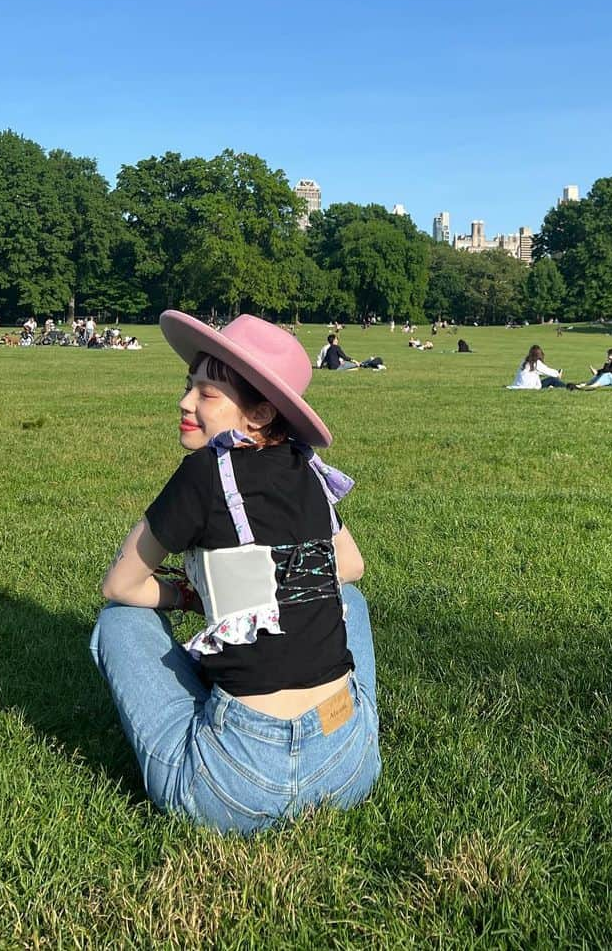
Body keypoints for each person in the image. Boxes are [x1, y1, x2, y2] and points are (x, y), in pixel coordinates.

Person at [90, 312, 380, 835]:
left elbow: (122, 584)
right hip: (349, 766)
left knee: (117, 620)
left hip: (231, 784)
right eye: (188, 387)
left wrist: (185, 596)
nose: (185, 403)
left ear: (261, 413)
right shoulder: (307, 468)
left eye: (207, 393)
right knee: (349, 599)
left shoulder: (203, 472)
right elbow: (351, 565)